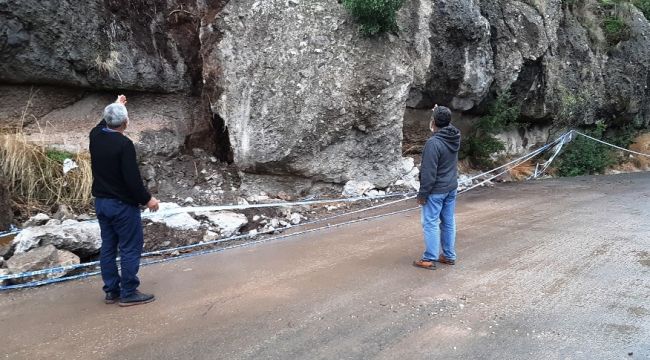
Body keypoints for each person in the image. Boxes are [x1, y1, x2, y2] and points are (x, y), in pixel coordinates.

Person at [90, 95, 160, 306]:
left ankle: (111, 291)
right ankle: (129, 292)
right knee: (130, 247)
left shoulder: (95, 135)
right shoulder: (124, 144)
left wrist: (117, 105)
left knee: (109, 247)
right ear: (126, 123)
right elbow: (132, 179)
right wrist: (148, 200)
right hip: (122, 206)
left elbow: (104, 121)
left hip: (101, 203)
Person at [413, 105, 461, 270]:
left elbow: (428, 173)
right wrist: (440, 110)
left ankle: (429, 258)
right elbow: (448, 123)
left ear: (433, 122)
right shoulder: (455, 135)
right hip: (451, 187)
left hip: (436, 191)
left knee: (430, 223)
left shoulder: (433, 143)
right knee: (448, 222)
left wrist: (422, 194)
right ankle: (448, 256)